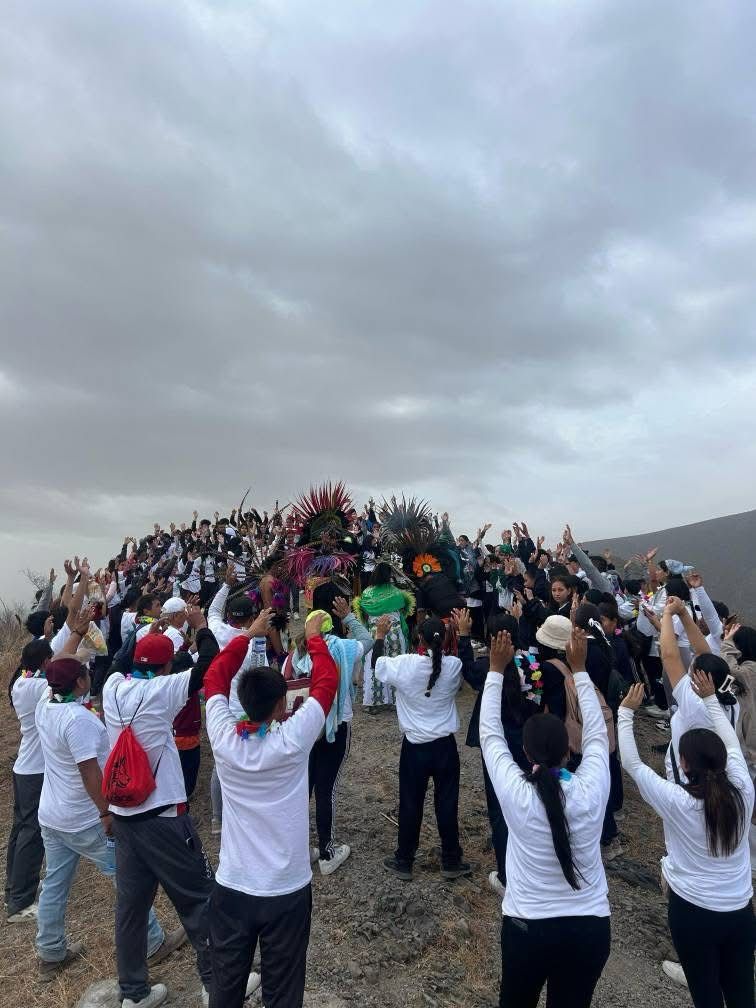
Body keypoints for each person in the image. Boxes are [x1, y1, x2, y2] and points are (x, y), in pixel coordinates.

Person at [102, 629, 255, 1008]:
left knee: (131, 910)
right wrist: (201, 628)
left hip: (125, 820)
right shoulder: (162, 690)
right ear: (167, 665)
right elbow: (209, 665)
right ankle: (216, 985)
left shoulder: (111, 688)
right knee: (201, 899)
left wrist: (136, 637)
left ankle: (134, 993)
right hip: (165, 820)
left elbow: (118, 660)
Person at [204, 611, 339, 1008]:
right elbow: (326, 684)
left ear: (244, 702)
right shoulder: (293, 740)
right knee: (283, 991)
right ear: (283, 705)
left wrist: (247, 635)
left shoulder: (224, 737)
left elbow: (214, 679)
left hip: (233, 884)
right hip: (286, 888)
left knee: (226, 986)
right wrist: (314, 636)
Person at [480, 626, 611, 1008]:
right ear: (569, 752)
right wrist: (580, 670)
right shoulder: (592, 787)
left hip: (528, 929)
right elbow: (597, 735)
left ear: (525, 753)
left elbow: (490, 735)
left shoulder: (518, 794)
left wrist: (495, 670)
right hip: (589, 929)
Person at [33, 639, 173, 991]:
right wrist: (105, 813)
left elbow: (59, 667)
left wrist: (76, 635)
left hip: (52, 814)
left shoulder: (45, 704)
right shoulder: (77, 720)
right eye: (84, 673)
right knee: (126, 879)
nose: (89, 676)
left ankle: (50, 951)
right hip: (83, 818)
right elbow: (90, 772)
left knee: (54, 883)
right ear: (80, 682)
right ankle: (153, 941)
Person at [619, 670, 754, 1007]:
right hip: (740, 911)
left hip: (692, 912)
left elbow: (632, 764)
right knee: (742, 994)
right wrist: (710, 699)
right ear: (724, 760)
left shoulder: (678, 801)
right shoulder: (743, 789)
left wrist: (625, 712)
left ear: (683, 763)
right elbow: (731, 739)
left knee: (706, 996)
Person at [376, 614, 471, 881]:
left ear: (419, 639)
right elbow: (465, 663)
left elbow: (378, 665)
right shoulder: (454, 666)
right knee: (447, 804)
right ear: (446, 638)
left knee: (410, 803)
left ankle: (404, 860)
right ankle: (451, 860)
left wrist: (380, 635)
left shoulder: (406, 665)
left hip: (415, 747)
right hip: (445, 747)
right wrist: (464, 635)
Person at [461, 612, 541, 897]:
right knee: (528, 801)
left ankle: (507, 875)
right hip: (526, 742)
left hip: (496, 744)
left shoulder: (487, 668)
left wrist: (463, 635)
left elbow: (467, 670)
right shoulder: (531, 663)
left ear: (490, 639)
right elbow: (536, 700)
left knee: (499, 806)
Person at [5, 638, 53, 923]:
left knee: (21, 830)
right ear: (45, 662)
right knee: (31, 834)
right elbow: (64, 678)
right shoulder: (38, 687)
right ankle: (21, 902)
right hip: (35, 771)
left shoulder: (21, 684)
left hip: (24, 768)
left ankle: (13, 890)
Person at [352, 561, 416, 710]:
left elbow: (364, 618)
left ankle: (374, 703)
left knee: (374, 665)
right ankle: (396, 701)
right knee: (396, 665)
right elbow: (403, 615)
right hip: (395, 633)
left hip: (375, 634)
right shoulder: (397, 593)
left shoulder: (366, 594)